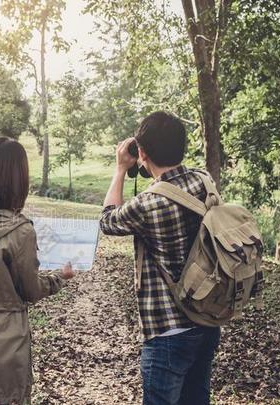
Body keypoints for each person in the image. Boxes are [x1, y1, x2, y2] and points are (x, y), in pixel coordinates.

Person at [100, 112, 221, 405]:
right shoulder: (204, 181)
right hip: (207, 318)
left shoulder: (148, 204)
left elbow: (107, 220)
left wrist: (120, 169)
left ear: (142, 153)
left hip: (169, 330)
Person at [0, 136, 75, 405]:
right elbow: (31, 290)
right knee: (7, 398)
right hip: (3, 333)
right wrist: (59, 277)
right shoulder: (20, 231)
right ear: (18, 180)